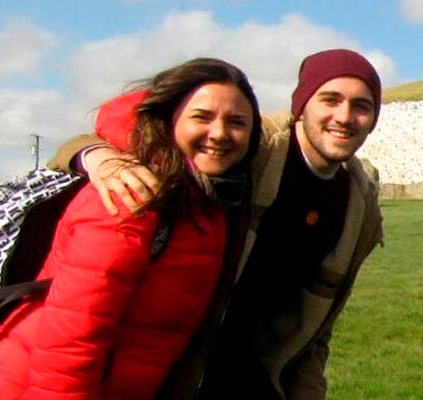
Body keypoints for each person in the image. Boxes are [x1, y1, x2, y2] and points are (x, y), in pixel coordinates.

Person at [49, 49, 386, 399]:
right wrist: (98, 157)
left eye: (362, 106)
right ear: (301, 105)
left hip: (255, 379)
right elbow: (131, 129)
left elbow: (317, 332)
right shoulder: (250, 142)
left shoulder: (358, 204)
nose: (344, 116)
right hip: (175, 368)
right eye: (329, 100)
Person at [0, 58, 263, 399]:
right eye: (201, 117)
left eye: (236, 122)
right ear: (169, 120)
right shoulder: (131, 192)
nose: (219, 133)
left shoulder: (207, 198)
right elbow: (74, 332)